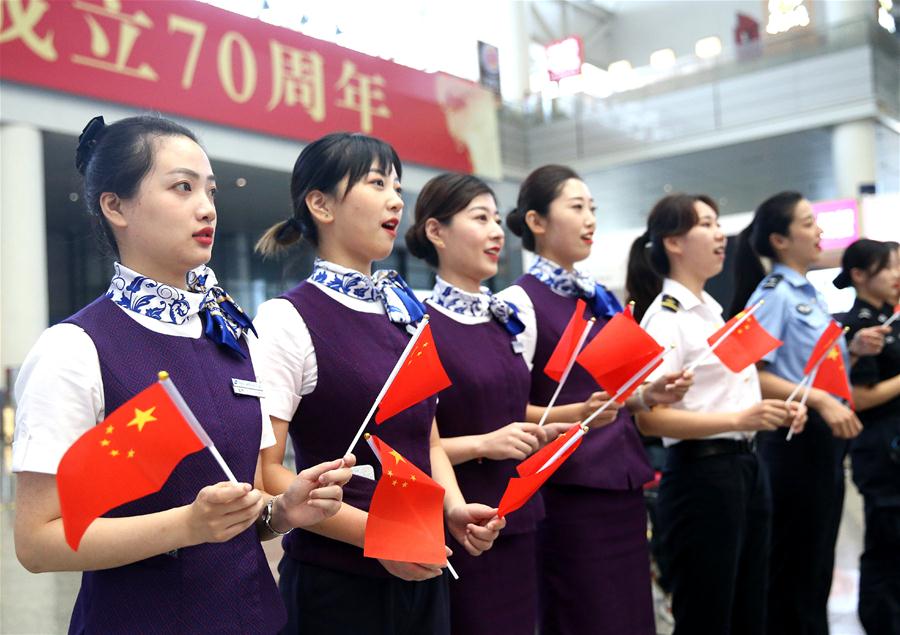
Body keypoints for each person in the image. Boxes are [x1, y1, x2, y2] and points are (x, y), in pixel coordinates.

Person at [12, 115, 353, 634]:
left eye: (209, 190)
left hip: (257, 619)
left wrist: (283, 510)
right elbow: (37, 542)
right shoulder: (76, 348)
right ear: (115, 206)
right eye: (182, 187)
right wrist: (186, 526)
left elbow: (248, 501)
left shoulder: (231, 335)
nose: (206, 207)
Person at [253, 133, 505, 635]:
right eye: (376, 183)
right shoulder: (287, 318)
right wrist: (380, 536)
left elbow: (425, 438)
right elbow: (268, 473)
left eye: (397, 185)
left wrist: (453, 509)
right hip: (338, 579)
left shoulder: (405, 315)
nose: (396, 199)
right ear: (320, 204)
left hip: (422, 561)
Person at [499, 164, 692, 635]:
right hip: (568, 490)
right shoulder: (517, 302)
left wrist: (645, 396)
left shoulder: (601, 298)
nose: (590, 220)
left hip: (622, 480)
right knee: (586, 613)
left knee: (630, 614)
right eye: (576, 207)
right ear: (537, 222)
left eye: (593, 209)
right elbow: (504, 410)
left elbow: (609, 394)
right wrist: (577, 415)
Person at [626, 193, 807, 635]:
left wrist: (770, 413)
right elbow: (651, 419)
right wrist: (739, 421)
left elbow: (725, 398)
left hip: (743, 467)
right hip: (702, 476)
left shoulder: (712, 312)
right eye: (705, 224)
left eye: (717, 223)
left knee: (749, 607)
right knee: (708, 613)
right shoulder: (666, 318)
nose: (719, 233)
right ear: (673, 242)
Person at [405, 172, 564, 635]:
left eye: (497, 219)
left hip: (522, 514)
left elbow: (512, 410)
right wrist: (485, 444)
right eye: (481, 218)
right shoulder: (419, 326)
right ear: (436, 231)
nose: (497, 231)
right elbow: (412, 441)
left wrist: (544, 430)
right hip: (464, 524)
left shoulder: (504, 320)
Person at [729, 191, 886, 635]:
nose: (819, 231)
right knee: (794, 565)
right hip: (792, 441)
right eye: (807, 223)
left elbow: (808, 367)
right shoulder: (774, 295)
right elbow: (749, 372)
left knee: (816, 564)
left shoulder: (809, 294)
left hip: (822, 442)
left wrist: (852, 352)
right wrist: (817, 400)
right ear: (780, 239)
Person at [833, 238, 900, 634]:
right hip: (881, 454)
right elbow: (854, 397)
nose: (896, 276)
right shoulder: (857, 327)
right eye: (889, 267)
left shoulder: (888, 318)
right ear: (859, 275)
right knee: (887, 551)